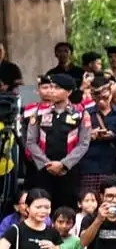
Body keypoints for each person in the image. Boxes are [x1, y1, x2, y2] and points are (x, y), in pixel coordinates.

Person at [26, 73, 92, 210]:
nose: (51, 91)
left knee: (68, 209)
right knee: (43, 207)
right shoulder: (38, 112)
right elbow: (31, 141)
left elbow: (84, 143)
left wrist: (63, 164)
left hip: (69, 170)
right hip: (44, 169)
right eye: (50, 87)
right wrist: (46, 164)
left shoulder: (80, 113)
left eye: (56, 88)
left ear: (68, 92)